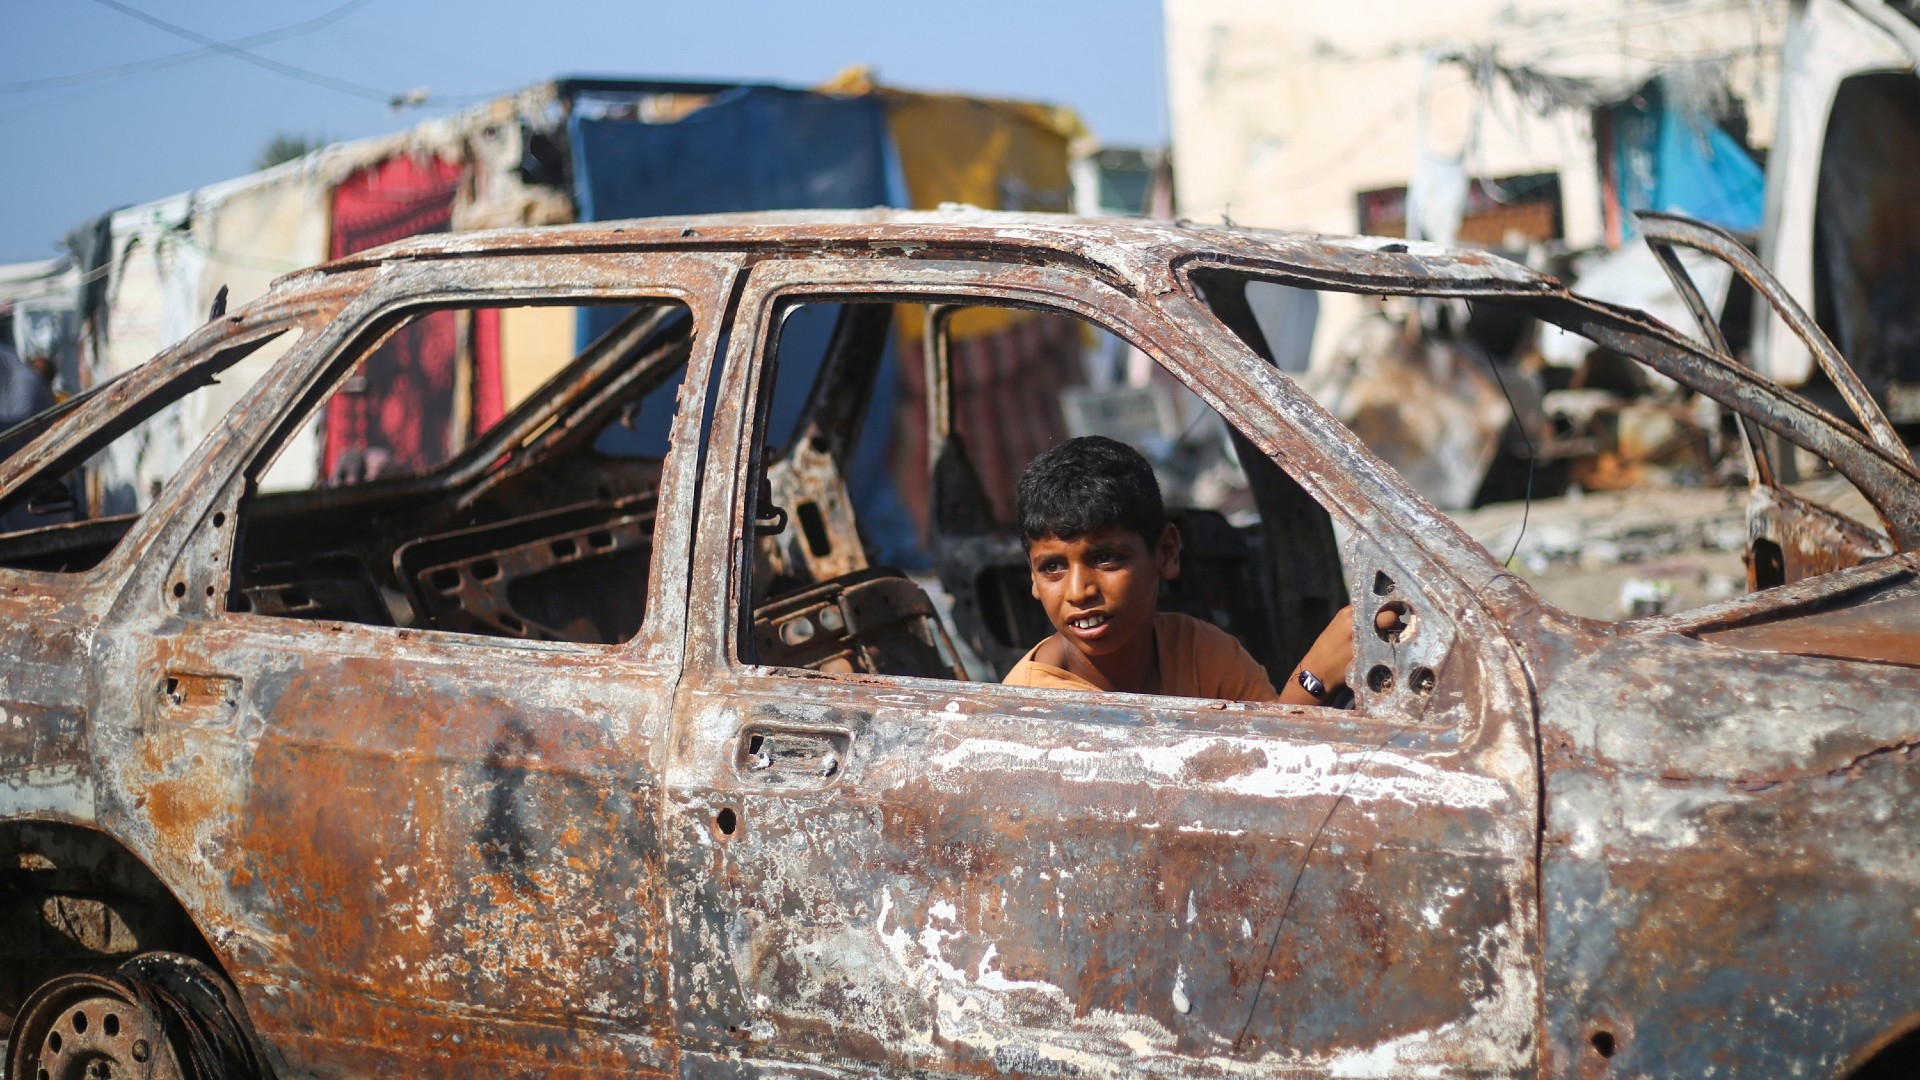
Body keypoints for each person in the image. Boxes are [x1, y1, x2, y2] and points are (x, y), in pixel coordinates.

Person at [1004, 435, 1354, 705]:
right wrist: (1315, 677)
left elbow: (1275, 763)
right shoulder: (1031, 708)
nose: (1079, 591)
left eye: (1105, 559)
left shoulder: (1200, 651)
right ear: (1033, 578)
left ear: (1166, 552)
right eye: (1052, 567)